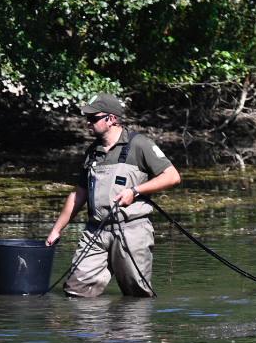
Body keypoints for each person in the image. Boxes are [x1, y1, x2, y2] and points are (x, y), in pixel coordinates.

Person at [45, 93, 181, 297]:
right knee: (75, 293)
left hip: (132, 230)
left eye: (93, 118)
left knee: (137, 296)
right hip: (95, 232)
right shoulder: (92, 152)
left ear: (112, 119)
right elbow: (78, 195)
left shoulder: (140, 144)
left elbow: (172, 176)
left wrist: (135, 191)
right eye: (87, 119)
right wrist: (56, 230)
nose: (87, 124)